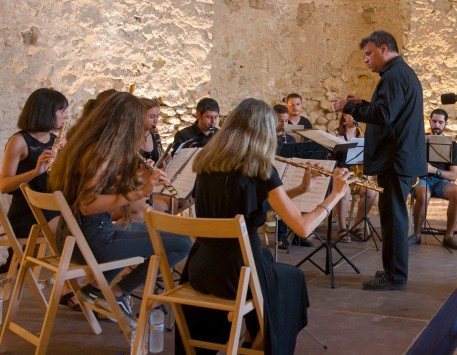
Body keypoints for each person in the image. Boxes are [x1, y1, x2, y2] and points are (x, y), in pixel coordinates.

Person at [177, 98, 353, 354]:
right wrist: (336, 194)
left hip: (201, 268)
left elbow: (250, 205)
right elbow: (303, 228)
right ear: (263, 131)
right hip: (238, 273)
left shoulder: (206, 163)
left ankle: (253, 337)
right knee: (292, 278)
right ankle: (261, 344)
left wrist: (302, 189)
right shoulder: (259, 169)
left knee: (271, 266)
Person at [48, 91, 192, 324]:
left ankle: (94, 291)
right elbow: (87, 205)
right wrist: (141, 192)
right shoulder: (100, 154)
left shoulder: (86, 144)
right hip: (94, 242)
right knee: (182, 243)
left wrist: (137, 180)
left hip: (71, 237)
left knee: (140, 229)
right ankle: (116, 293)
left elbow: (97, 190)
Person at [332, 30, 426, 291]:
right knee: (391, 216)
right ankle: (392, 270)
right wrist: (363, 102)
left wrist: (349, 107)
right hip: (399, 159)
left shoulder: (394, 76)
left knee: (394, 218)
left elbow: (384, 114)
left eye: (368, 53)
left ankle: (395, 276)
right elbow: (388, 111)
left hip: (395, 160)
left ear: (384, 49)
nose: (365, 60)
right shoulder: (399, 74)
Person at [0, 88, 67, 272]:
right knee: (72, 233)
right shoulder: (20, 141)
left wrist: (64, 156)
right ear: (45, 111)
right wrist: (36, 171)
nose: (65, 116)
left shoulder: (56, 140)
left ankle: (74, 284)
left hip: (51, 208)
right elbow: (4, 185)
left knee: (84, 226)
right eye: (61, 111)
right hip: (27, 213)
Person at [409, 108, 457, 249]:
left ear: (445, 124)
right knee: (424, 195)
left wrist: (434, 170)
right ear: (429, 121)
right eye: (434, 121)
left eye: (440, 122)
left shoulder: (452, 146)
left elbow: (454, 175)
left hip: (441, 181)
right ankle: (416, 235)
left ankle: (449, 237)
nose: (436, 125)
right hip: (421, 179)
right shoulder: (418, 141)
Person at [332, 113, 377, 243]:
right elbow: (329, 157)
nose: (355, 118)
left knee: (371, 192)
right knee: (344, 191)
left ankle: (357, 226)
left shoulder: (363, 136)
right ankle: (342, 227)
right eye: (352, 115)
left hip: (356, 176)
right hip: (339, 174)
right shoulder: (335, 134)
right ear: (344, 117)